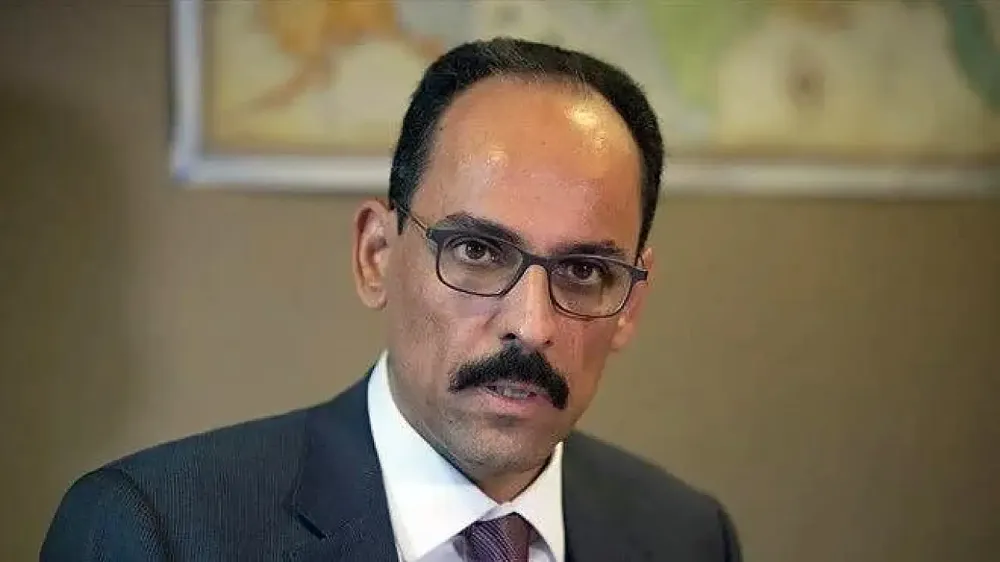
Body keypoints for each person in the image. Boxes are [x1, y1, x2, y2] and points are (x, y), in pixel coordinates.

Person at [41, 37, 741, 562]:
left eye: (584, 270)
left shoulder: (687, 537)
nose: (531, 326)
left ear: (631, 304)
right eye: (477, 251)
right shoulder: (155, 532)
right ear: (376, 255)